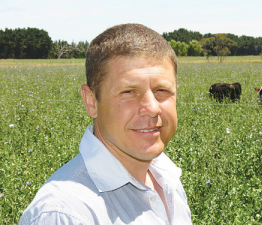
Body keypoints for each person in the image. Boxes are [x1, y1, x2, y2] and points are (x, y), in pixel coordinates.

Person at [19, 23, 192, 225]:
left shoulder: (167, 179)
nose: (152, 108)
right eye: (129, 92)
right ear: (91, 102)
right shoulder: (65, 214)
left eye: (162, 90)